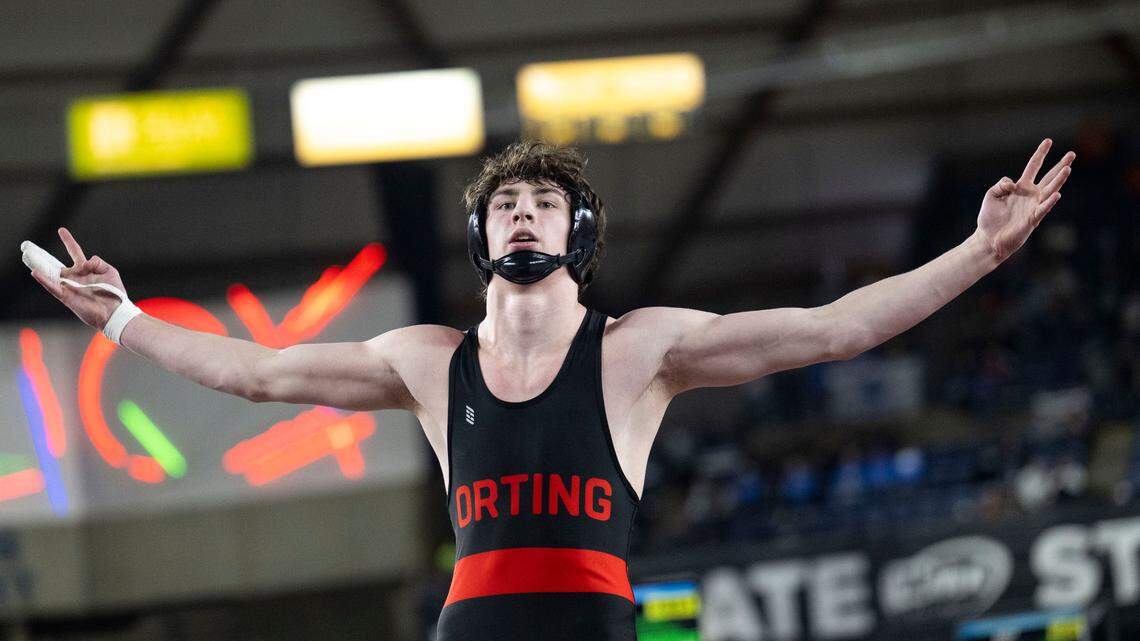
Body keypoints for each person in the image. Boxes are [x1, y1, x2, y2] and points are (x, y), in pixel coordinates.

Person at [29, 138, 1074, 640]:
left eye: (545, 202)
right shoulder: (427, 360)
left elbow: (837, 329)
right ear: (481, 235)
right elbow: (256, 373)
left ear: (580, 233)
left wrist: (979, 255)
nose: (523, 214)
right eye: (506, 205)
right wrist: (121, 318)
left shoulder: (638, 351)